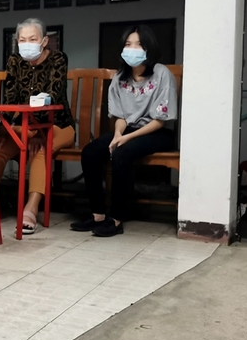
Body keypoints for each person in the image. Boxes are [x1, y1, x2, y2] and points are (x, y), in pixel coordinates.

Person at [71, 24, 178, 237]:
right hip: (128, 129)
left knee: (121, 153)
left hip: (158, 131)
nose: (132, 49)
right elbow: (120, 116)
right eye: (128, 44)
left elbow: (160, 121)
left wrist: (127, 138)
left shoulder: (162, 74)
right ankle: (97, 215)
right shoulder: (120, 77)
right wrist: (119, 134)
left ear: (149, 48)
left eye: (139, 44)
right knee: (91, 152)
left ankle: (116, 220)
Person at [0, 18, 75, 234]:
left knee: (40, 149)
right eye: (22, 40)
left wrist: (42, 133)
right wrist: (2, 132)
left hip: (58, 126)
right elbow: (10, 98)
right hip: (23, 126)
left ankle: (31, 208)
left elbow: (53, 94)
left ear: (44, 41)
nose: (27, 44)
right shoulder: (14, 61)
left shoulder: (58, 59)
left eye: (33, 39)